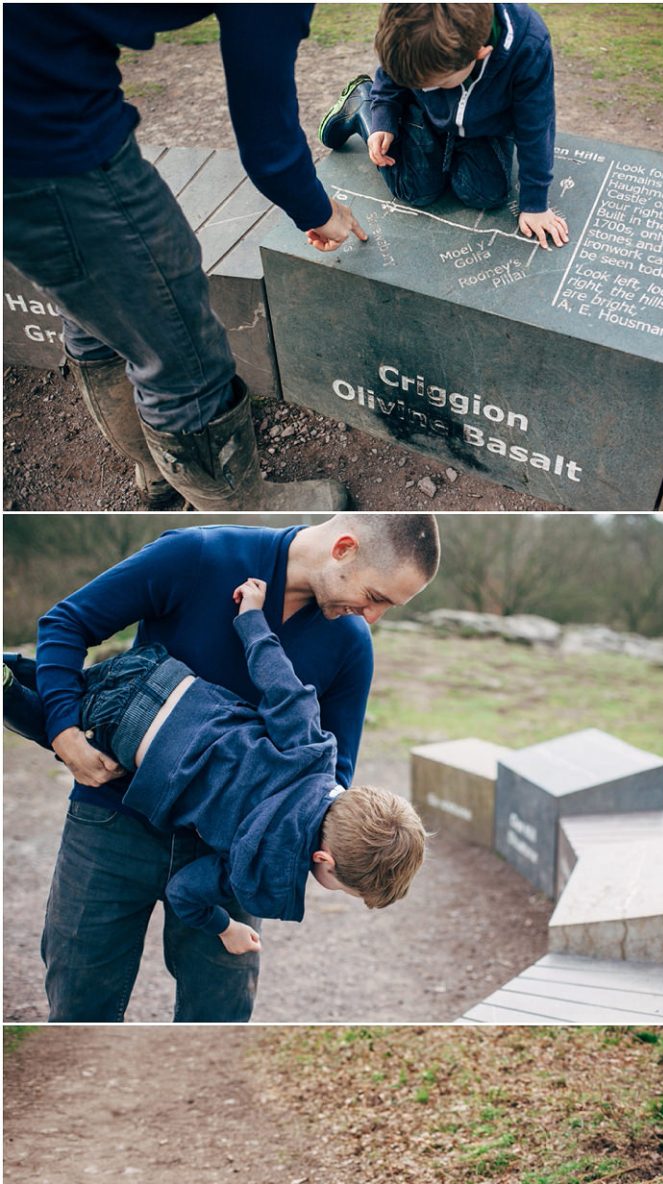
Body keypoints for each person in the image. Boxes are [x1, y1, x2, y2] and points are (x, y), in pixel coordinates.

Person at [4, 513, 440, 1022]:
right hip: (111, 820)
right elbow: (66, 623)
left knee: (221, 1015)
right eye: (377, 596)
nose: (371, 616)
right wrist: (62, 733)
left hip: (233, 856)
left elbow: (337, 770)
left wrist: (281, 844)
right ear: (343, 548)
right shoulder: (198, 556)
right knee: (79, 1004)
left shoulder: (350, 643)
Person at [4, 6, 367, 510]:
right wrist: (316, 209)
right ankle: (244, 509)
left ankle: (157, 473)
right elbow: (267, 139)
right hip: (42, 132)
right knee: (182, 351)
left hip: (29, 104)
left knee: (96, 309)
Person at [75, 576, 426, 947]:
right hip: (120, 736)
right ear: (324, 859)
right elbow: (183, 893)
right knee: (41, 717)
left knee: (59, 687)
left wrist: (252, 617)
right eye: (341, 889)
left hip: (159, 675)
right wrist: (226, 928)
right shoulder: (256, 865)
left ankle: (10, 674)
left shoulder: (313, 752)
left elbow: (280, 682)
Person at [320, 1, 568, 250]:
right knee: (416, 191)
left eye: (433, 82)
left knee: (485, 194)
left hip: (485, 125)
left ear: (479, 54)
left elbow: (536, 126)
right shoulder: (408, 20)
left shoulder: (529, 45)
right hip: (424, 112)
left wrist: (535, 203)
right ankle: (363, 103)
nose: (427, 84)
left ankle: (444, 153)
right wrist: (383, 116)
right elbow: (392, 72)